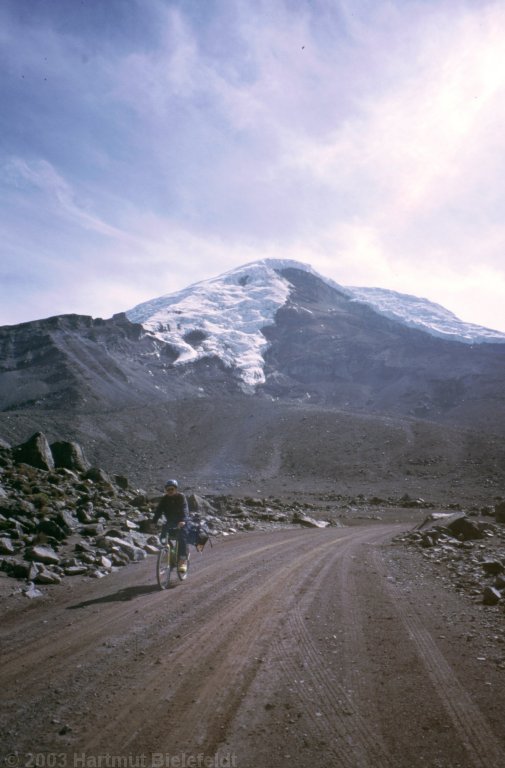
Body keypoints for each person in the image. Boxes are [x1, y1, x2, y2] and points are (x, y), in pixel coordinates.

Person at [153, 479, 189, 572]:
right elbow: (159, 511)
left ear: (175, 489)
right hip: (170, 522)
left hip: (182, 521)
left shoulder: (181, 497)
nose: (170, 491)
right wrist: (154, 521)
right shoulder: (164, 499)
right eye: (168, 489)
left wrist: (183, 521)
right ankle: (171, 554)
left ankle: (182, 561)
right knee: (163, 538)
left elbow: (185, 509)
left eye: (172, 489)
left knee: (182, 539)